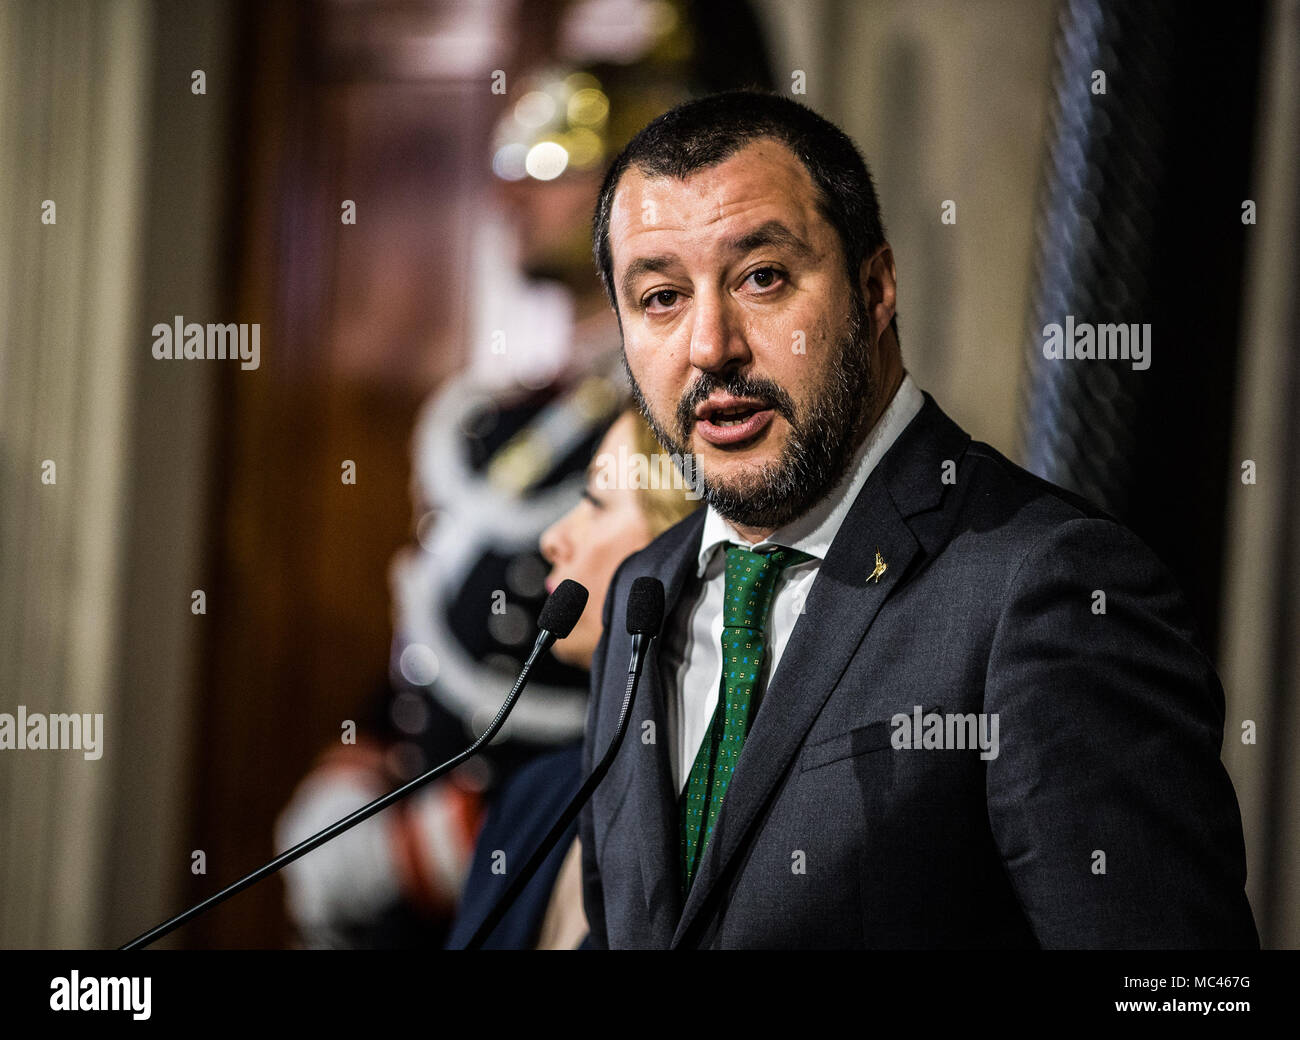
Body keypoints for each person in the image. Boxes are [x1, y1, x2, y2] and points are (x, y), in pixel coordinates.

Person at [578, 91, 1260, 948]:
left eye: (762, 278)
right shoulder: (643, 593)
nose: (711, 345)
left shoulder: (1047, 586)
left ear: (875, 288)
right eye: (661, 297)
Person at [444, 405, 702, 949]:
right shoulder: (535, 795)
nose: (552, 538)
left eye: (594, 503)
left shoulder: (711, 819)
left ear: (680, 550)